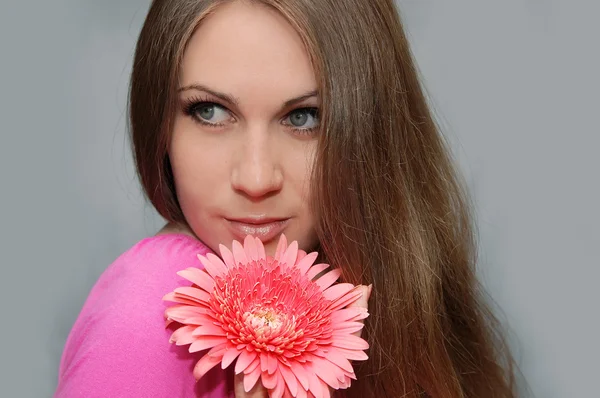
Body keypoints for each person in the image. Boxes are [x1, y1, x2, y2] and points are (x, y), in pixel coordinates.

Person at [55, 0, 520, 397]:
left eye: (303, 118)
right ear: (160, 126)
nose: (256, 179)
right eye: (210, 111)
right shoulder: (151, 315)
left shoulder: (381, 301)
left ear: (371, 134)